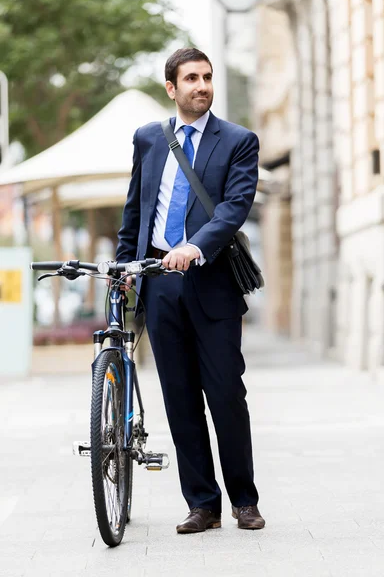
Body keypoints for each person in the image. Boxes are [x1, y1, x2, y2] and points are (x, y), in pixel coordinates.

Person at [116, 48, 265, 534]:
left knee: (225, 395)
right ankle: (202, 503)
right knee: (180, 399)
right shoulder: (147, 140)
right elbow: (135, 209)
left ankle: (244, 499)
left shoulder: (239, 141)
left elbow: (233, 209)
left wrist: (194, 247)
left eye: (207, 77)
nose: (202, 85)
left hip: (213, 283)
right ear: (171, 88)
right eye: (191, 78)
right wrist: (124, 263)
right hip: (159, 286)